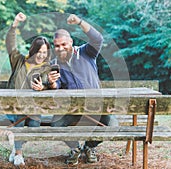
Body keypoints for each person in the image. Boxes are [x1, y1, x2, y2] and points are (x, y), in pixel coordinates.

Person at [47, 14, 119, 165]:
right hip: (72, 111)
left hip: (96, 108)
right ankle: (75, 148)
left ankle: (89, 147)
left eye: (63, 44)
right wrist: (52, 84)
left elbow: (98, 39)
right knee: (56, 124)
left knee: (112, 124)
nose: (60, 48)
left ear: (71, 42)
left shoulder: (86, 52)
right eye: (57, 45)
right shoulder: (54, 63)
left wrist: (79, 22)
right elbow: (57, 85)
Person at [5, 12, 52, 166]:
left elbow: (48, 85)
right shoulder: (19, 60)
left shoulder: (46, 68)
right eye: (39, 52)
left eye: (45, 53)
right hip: (14, 105)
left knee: (34, 126)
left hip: (33, 107)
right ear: (33, 50)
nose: (41, 55)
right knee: (20, 118)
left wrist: (43, 88)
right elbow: (10, 44)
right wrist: (15, 23)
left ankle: (15, 147)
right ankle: (18, 153)